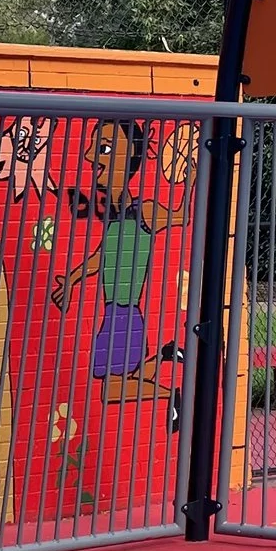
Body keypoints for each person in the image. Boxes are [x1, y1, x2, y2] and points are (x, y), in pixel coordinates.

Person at [50, 119, 186, 403]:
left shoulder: (145, 212)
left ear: (129, 157)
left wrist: (193, 177)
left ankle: (173, 397)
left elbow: (182, 215)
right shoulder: (117, 217)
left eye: (104, 148)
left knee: (111, 390)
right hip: (114, 315)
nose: (89, 156)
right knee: (123, 379)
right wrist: (72, 280)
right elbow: (102, 257)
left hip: (124, 315)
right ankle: (165, 354)